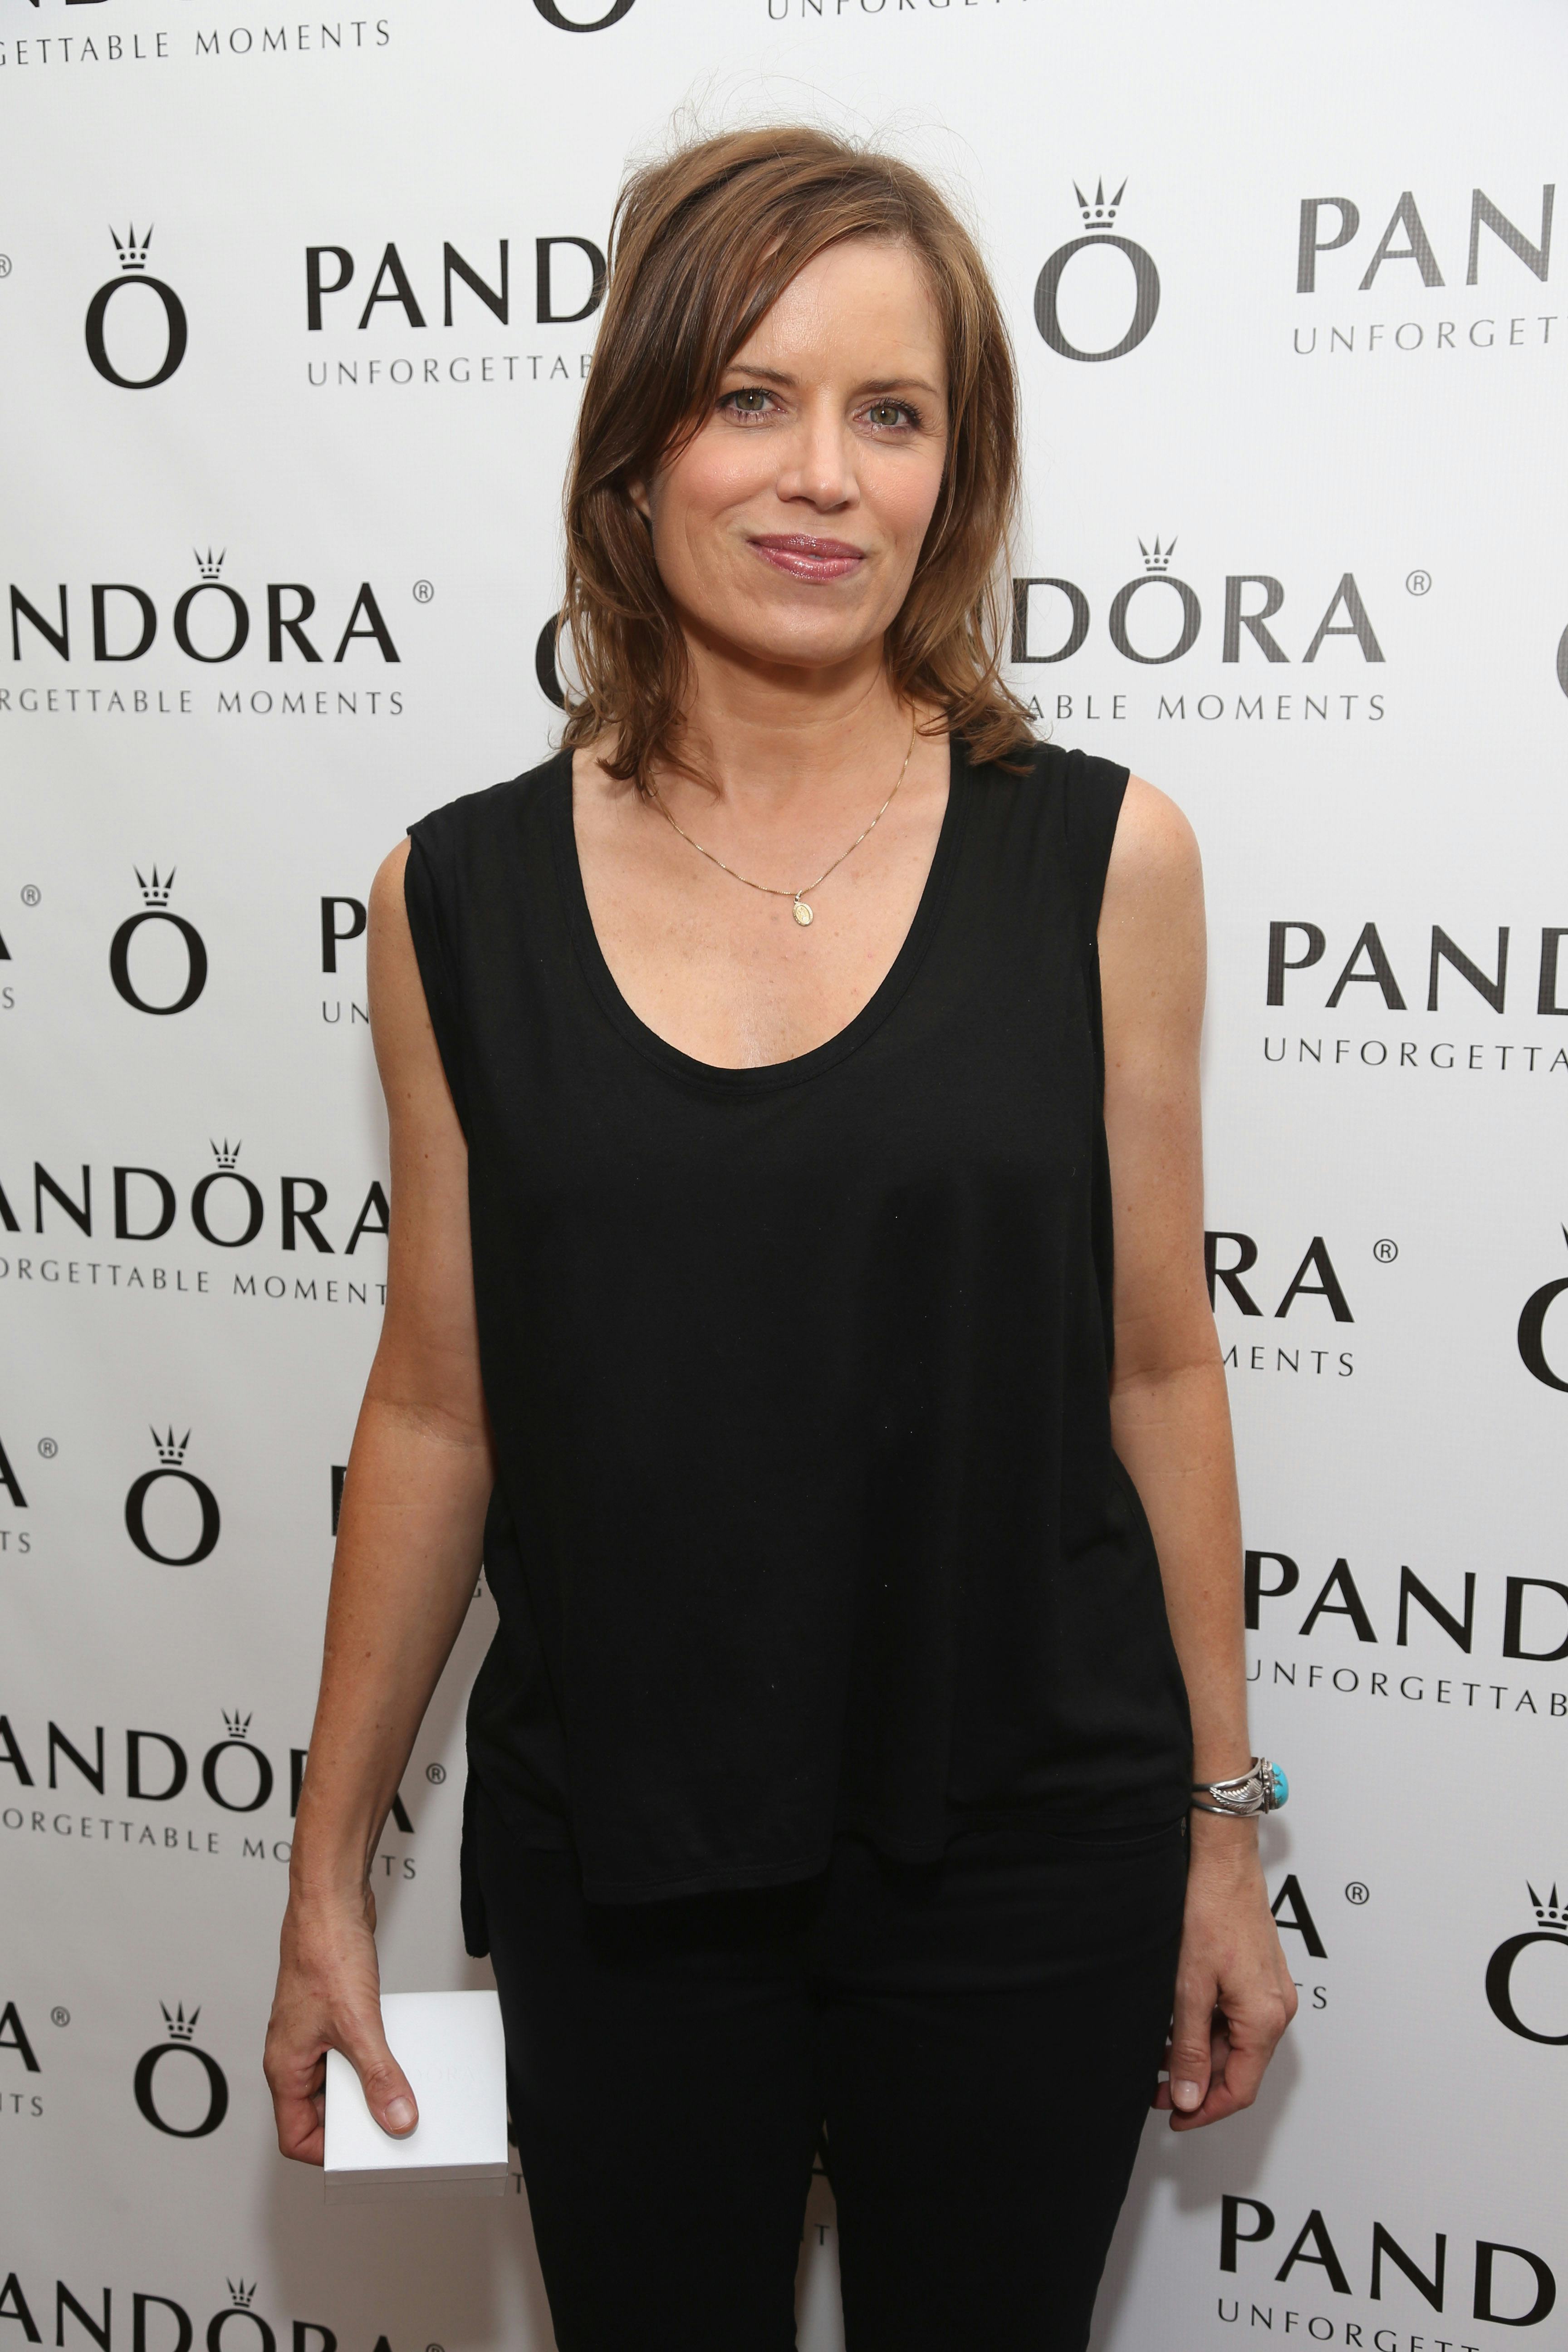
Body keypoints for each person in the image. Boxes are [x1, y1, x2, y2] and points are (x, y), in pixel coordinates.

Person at [265, 124, 1297, 2352]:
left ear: (957, 474)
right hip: (623, 1868)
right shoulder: (454, 899)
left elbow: (1157, 1363)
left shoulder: (1108, 862)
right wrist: (324, 1871)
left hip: (1029, 1854)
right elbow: (437, 1405)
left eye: (891, 412)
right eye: (753, 397)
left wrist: (1225, 1827)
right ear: (637, 444)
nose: (825, 475)